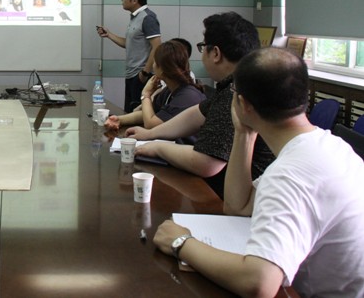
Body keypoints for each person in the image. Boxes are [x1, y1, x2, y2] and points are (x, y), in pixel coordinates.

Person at [154, 47, 364, 297]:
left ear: (242, 104)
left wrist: (182, 243)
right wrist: (244, 133)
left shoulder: (289, 174)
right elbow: (238, 206)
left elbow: (259, 283)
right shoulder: (328, 146)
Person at [126, 12, 275, 197]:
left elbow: (207, 163)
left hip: (242, 204)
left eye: (203, 47)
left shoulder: (237, 93)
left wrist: (158, 148)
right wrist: (150, 134)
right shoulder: (238, 83)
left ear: (216, 53)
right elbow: (195, 115)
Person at [105, 40, 205, 139]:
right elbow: (149, 114)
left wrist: (146, 94)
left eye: (155, 62)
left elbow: (151, 124)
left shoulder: (187, 96)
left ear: (161, 69)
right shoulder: (169, 90)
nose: (153, 66)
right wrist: (119, 120)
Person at [97, 0, 161, 112]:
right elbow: (129, 44)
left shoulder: (148, 18)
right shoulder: (135, 17)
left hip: (141, 76)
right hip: (131, 74)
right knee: (129, 111)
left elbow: (157, 47)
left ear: (134, 0)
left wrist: (145, 72)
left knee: (138, 115)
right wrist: (109, 35)